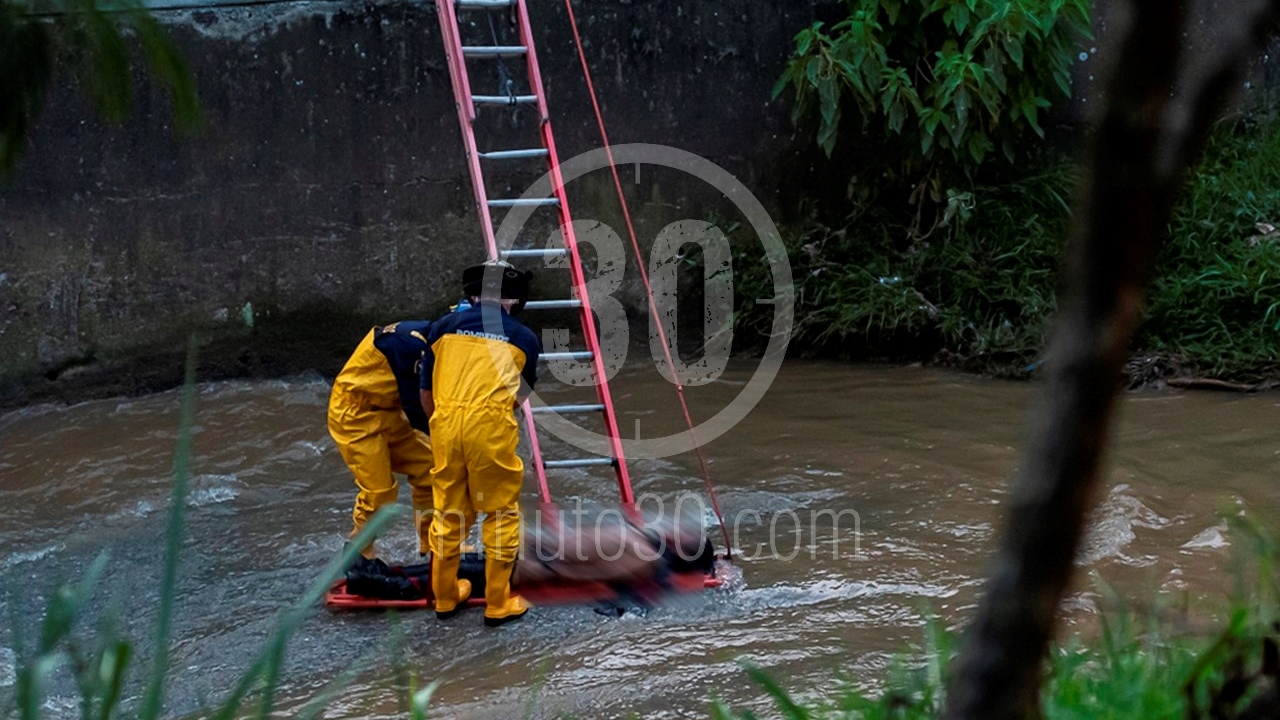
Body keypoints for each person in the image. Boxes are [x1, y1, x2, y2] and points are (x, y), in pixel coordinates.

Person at [420, 260, 539, 626]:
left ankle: (444, 597)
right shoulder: (523, 338)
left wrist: (442, 426)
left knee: (448, 510)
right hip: (489, 427)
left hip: (444, 425)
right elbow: (519, 397)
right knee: (500, 511)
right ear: (512, 300)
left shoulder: (441, 328)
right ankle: (498, 603)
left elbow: (425, 392)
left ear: (471, 295)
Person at [328, 319, 437, 561]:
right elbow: (418, 409)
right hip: (356, 415)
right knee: (380, 492)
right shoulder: (410, 346)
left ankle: (433, 543)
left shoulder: (429, 338)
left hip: (389, 410)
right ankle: (359, 552)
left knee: (430, 469)